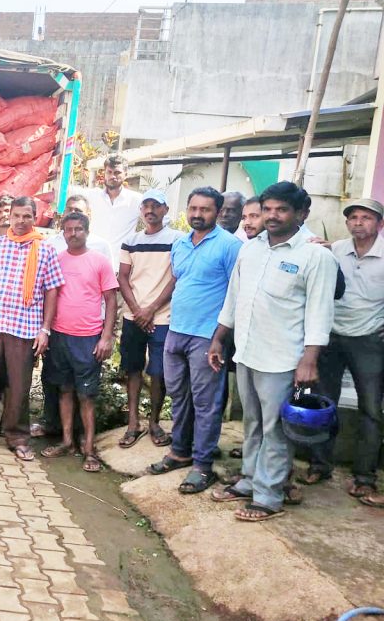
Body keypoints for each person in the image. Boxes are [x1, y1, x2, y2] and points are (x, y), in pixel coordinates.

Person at [209, 182, 336, 521]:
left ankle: (268, 496)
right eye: (268, 209)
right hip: (248, 352)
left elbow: (320, 313)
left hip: (283, 359)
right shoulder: (250, 249)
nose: (273, 216)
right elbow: (233, 299)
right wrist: (219, 338)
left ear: (300, 214)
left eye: (281, 210)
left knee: (276, 430)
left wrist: (309, 360)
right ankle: (249, 480)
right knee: (251, 423)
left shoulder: (315, 255)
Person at [149, 187, 241, 495]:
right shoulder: (181, 243)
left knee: (207, 403)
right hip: (177, 330)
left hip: (208, 337)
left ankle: (202, 465)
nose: (198, 214)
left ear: (217, 212)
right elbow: (179, 280)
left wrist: (220, 338)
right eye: (193, 208)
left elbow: (235, 293)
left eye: (205, 209)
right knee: (179, 395)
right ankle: (180, 451)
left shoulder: (230, 246)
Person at [0, 197, 65, 461]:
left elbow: (52, 291)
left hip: (25, 329)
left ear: (35, 217)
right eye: (16, 216)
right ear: (10, 217)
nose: (20, 221)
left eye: (26, 216)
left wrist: (45, 330)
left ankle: (17, 438)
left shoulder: (45, 250)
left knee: (19, 386)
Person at [304, 198, 384, 500]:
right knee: (323, 404)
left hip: (369, 340)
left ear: (379, 223)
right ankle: (319, 465)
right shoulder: (336, 250)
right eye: (353, 217)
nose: (359, 222)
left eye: (366, 217)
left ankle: (364, 477)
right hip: (332, 338)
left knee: (371, 410)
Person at [40, 212, 117, 471]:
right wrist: (47, 331)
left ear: (87, 231)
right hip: (60, 336)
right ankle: (67, 441)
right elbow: (48, 297)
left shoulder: (99, 261)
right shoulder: (56, 260)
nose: (73, 234)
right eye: (68, 229)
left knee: (86, 395)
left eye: (78, 229)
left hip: (88, 338)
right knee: (64, 390)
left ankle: (89, 450)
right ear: (63, 232)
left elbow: (111, 301)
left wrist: (106, 337)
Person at [116, 189, 181, 448]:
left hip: (163, 317)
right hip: (134, 317)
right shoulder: (130, 241)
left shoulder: (178, 240)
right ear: (140, 210)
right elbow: (122, 277)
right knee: (132, 369)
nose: (150, 211)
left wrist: (151, 309)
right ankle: (133, 422)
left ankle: (154, 422)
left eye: (157, 206)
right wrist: (139, 310)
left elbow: (177, 277)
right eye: (146, 206)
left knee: (158, 373)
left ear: (165, 210)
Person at [80, 154, 143, 265]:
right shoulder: (91, 196)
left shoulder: (136, 200)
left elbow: (161, 220)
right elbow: (66, 193)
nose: (112, 176)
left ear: (126, 175)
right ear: (104, 173)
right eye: (109, 172)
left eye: (117, 172)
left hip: (119, 267)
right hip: (91, 263)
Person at [49, 194, 114, 264]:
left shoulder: (101, 246)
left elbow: (108, 274)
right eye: (69, 210)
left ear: (88, 215)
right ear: (64, 213)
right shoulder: (50, 244)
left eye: (78, 211)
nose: (72, 214)